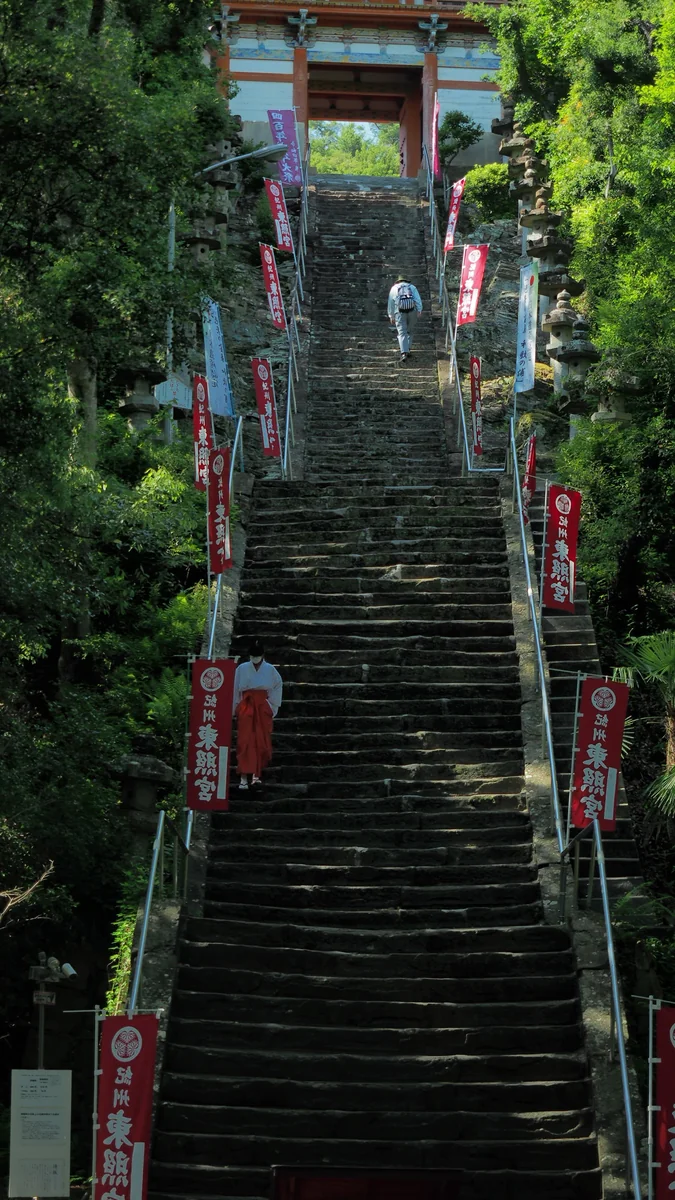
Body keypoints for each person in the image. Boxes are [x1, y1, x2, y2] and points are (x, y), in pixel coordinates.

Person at [232, 641, 283, 790]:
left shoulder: (270, 669)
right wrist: (236, 707)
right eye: (253, 656)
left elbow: (277, 685)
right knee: (245, 740)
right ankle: (243, 777)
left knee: (260, 740)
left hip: (262, 706)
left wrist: (270, 705)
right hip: (246, 705)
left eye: (257, 656)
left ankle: (256, 775)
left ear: (263, 656)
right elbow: (235, 689)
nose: (255, 659)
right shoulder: (242, 668)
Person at [387, 276, 423, 363]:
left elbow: (391, 303)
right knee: (410, 331)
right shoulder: (412, 287)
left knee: (402, 332)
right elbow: (417, 299)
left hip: (399, 312)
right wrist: (419, 310)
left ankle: (404, 352)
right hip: (412, 311)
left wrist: (391, 315)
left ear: (398, 281)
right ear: (406, 280)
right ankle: (408, 349)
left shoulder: (394, 288)